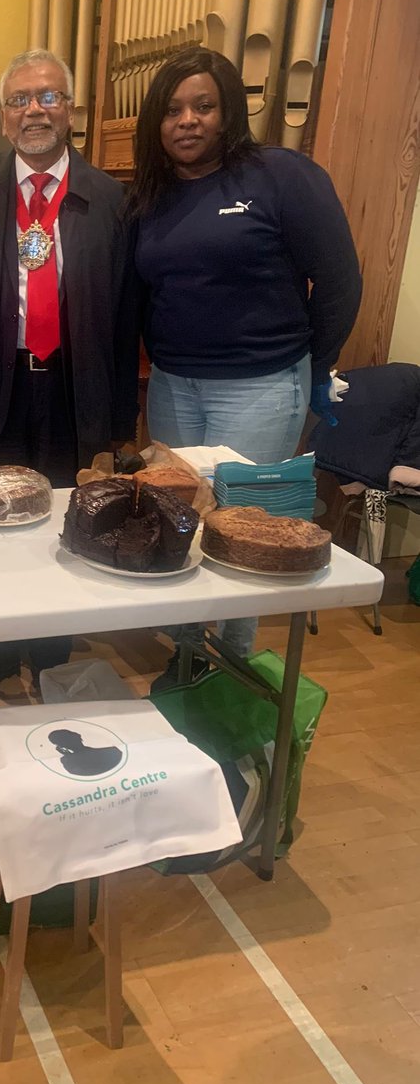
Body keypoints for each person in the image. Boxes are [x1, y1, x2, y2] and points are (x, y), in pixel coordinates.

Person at [127, 47, 361, 686]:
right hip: (174, 385)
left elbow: (339, 280)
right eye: (173, 109)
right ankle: (186, 654)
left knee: (241, 529)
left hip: (259, 386)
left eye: (203, 106)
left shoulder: (280, 175)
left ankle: (228, 663)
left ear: (229, 109)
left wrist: (317, 364)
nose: (188, 121)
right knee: (181, 517)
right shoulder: (152, 194)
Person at [0, 49, 140, 708]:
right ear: (3, 117)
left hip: (75, 391)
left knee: (62, 518)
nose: (34, 111)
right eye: (20, 99)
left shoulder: (111, 200)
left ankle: (52, 653)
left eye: (48, 97)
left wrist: (120, 417)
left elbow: (125, 318)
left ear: (70, 110)